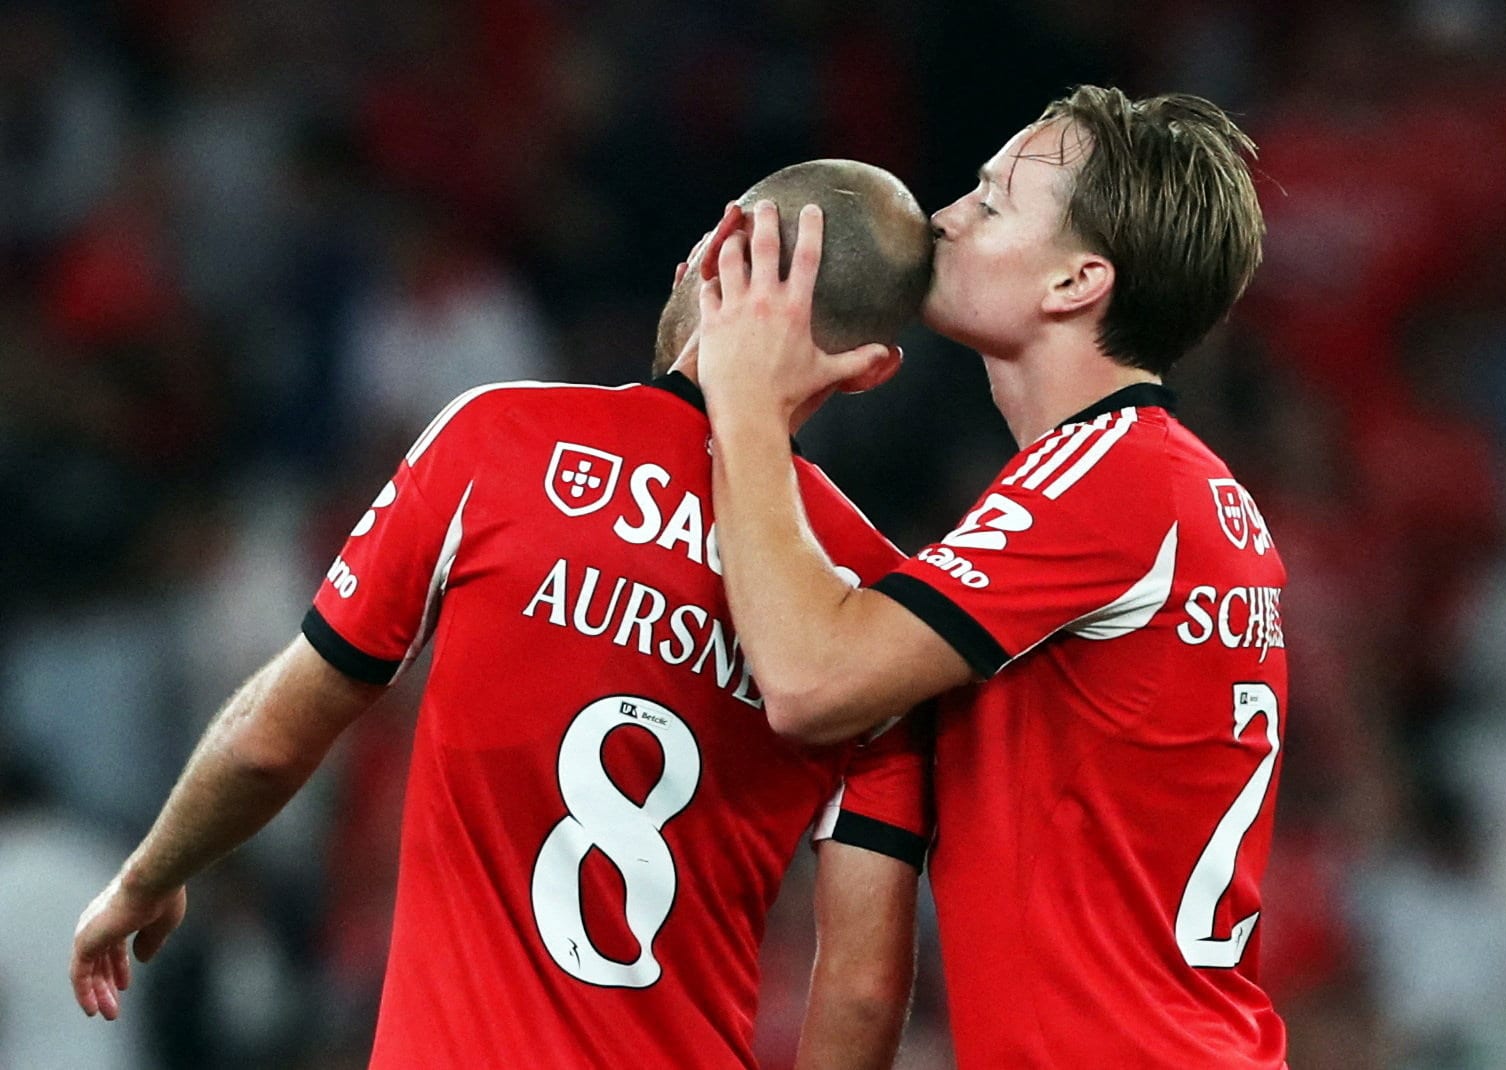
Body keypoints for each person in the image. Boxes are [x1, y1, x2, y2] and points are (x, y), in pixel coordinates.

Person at [70, 159, 936, 1070]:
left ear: (709, 252)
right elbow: (863, 989)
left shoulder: (495, 441)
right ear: (869, 370)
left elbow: (268, 743)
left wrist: (149, 876)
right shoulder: (880, 604)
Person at [696, 87, 1288, 1067]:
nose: (943, 219)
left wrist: (747, 401)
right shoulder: (1158, 481)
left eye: (991, 201)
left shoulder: (1112, 479)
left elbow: (809, 680)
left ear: (1075, 282)